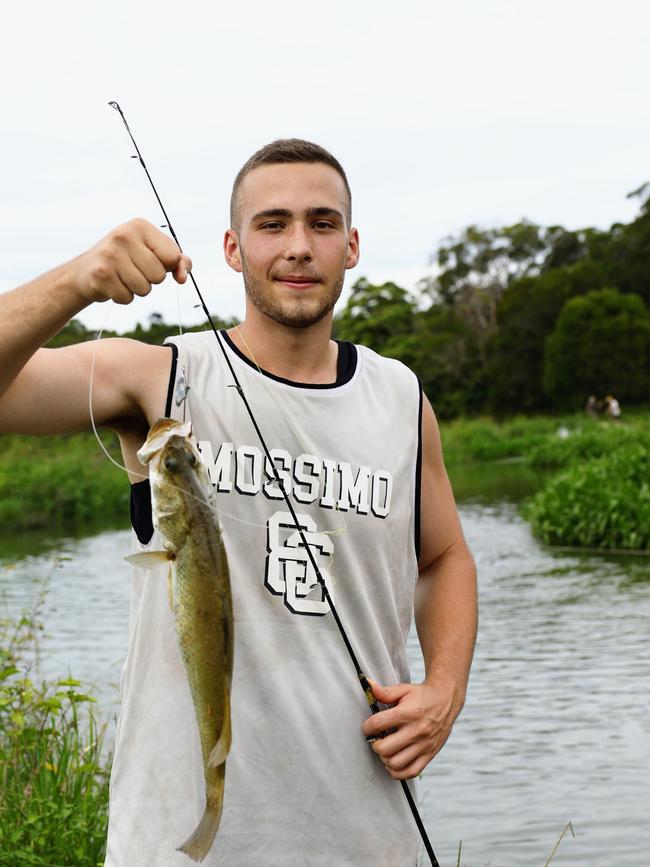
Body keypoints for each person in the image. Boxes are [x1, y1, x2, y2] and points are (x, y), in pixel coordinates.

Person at [0, 139, 477, 866]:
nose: (298, 246)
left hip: (370, 838)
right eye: (272, 223)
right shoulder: (161, 378)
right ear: (231, 246)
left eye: (322, 223)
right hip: (181, 845)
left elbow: (444, 557)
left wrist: (445, 686)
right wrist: (79, 280)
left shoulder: (403, 400)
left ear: (352, 245)